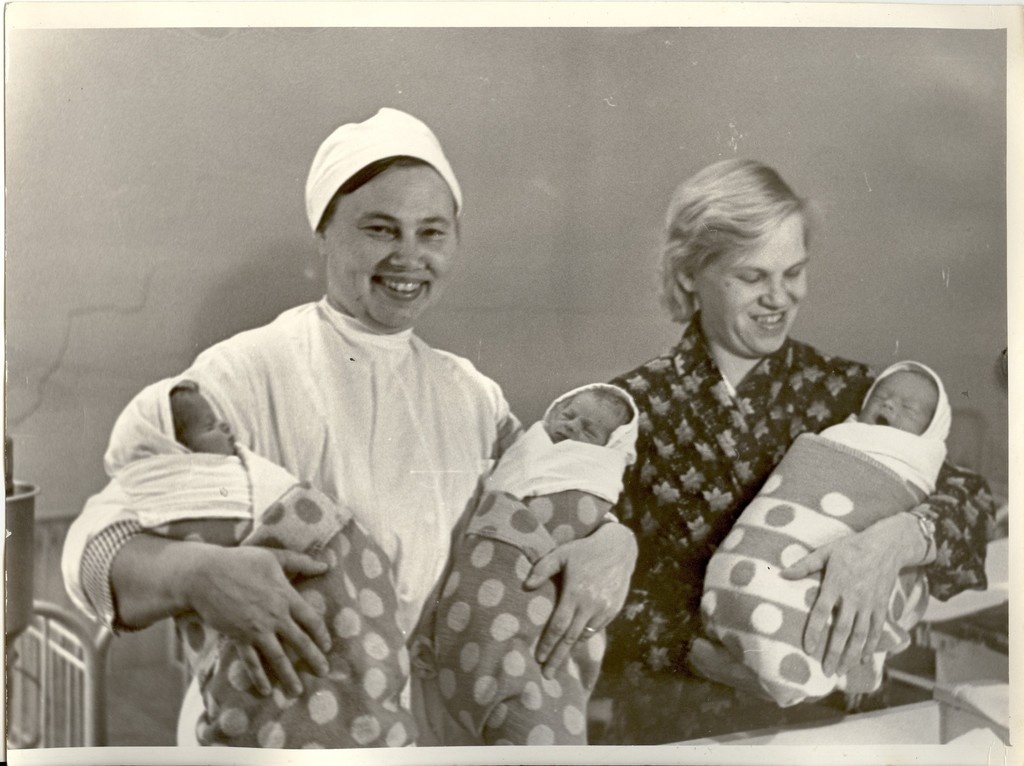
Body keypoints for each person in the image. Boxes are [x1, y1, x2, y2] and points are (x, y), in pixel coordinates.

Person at [61, 107, 638, 746]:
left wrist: (613, 545)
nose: (409, 258)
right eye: (380, 230)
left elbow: (537, 512)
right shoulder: (244, 374)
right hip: (285, 733)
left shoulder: (470, 395)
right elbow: (91, 548)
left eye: (432, 233)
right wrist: (196, 575)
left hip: (439, 735)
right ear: (325, 235)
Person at [593, 158, 995, 744]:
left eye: (794, 272)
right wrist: (701, 655)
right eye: (753, 277)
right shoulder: (629, 410)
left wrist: (895, 541)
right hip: (679, 729)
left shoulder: (853, 396)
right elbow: (588, 596)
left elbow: (972, 502)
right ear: (689, 276)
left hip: (835, 728)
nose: (779, 298)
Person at [97, 378, 414, 747]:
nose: (228, 428)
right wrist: (196, 572)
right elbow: (92, 548)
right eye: (211, 427)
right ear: (176, 455)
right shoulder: (186, 491)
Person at [694, 361, 950, 708]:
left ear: (932, 431)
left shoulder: (917, 463)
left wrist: (906, 532)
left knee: (843, 606)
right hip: (767, 553)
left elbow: (958, 502)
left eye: (909, 408)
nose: (890, 405)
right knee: (761, 574)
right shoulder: (837, 435)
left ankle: (797, 659)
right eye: (884, 396)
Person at [426, 383, 638, 745]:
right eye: (567, 415)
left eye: (588, 430)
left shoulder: (590, 470)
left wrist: (616, 537)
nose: (571, 428)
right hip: (454, 632)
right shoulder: (526, 446)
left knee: (542, 691)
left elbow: (587, 509)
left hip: (530, 612)